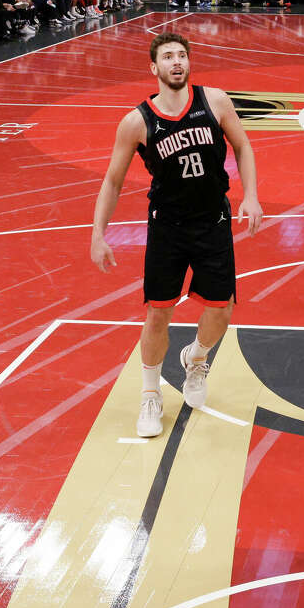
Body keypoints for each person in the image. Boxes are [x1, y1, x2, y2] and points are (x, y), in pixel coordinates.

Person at [90, 32, 263, 437]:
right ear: (154, 68)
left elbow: (243, 146)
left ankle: (196, 358)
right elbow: (113, 182)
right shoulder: (136, 122)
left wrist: (251, 195)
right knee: (157, 313)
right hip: (167, 226)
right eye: (167, 56)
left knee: (221, 308)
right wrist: (98, 233)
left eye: (182, 55)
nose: (176, 62)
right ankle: (150, 393)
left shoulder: (214, 100)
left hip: (213, 221)